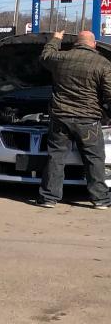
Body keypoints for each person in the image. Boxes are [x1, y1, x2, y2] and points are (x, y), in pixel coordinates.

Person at [37, 29, 111, 208]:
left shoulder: (61, 58)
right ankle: (100, 199)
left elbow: (45, 56)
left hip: (60, 117)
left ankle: (49, 197)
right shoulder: (103, 63)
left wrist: (55, 39)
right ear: (94, 44)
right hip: (88, 120)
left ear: (76, 43)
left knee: (56, 157)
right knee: (94, 159)